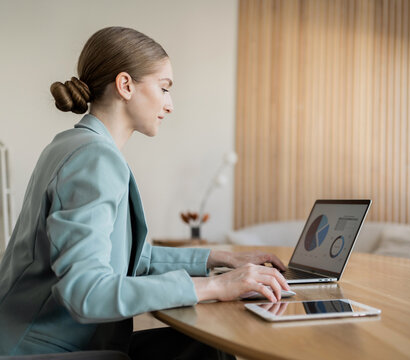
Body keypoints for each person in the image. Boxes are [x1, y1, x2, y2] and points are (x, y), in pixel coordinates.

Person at [0, 26, 290, 359]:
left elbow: (131, 258)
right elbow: (86, 292)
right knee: (209, 352)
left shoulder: (71, 144)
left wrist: (223, 259)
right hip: (38, 352)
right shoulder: (94, 159)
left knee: (206, 348)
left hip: (35, 342)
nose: (169, 104)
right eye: (164, 88)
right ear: (125, 85)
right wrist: (217, 286)